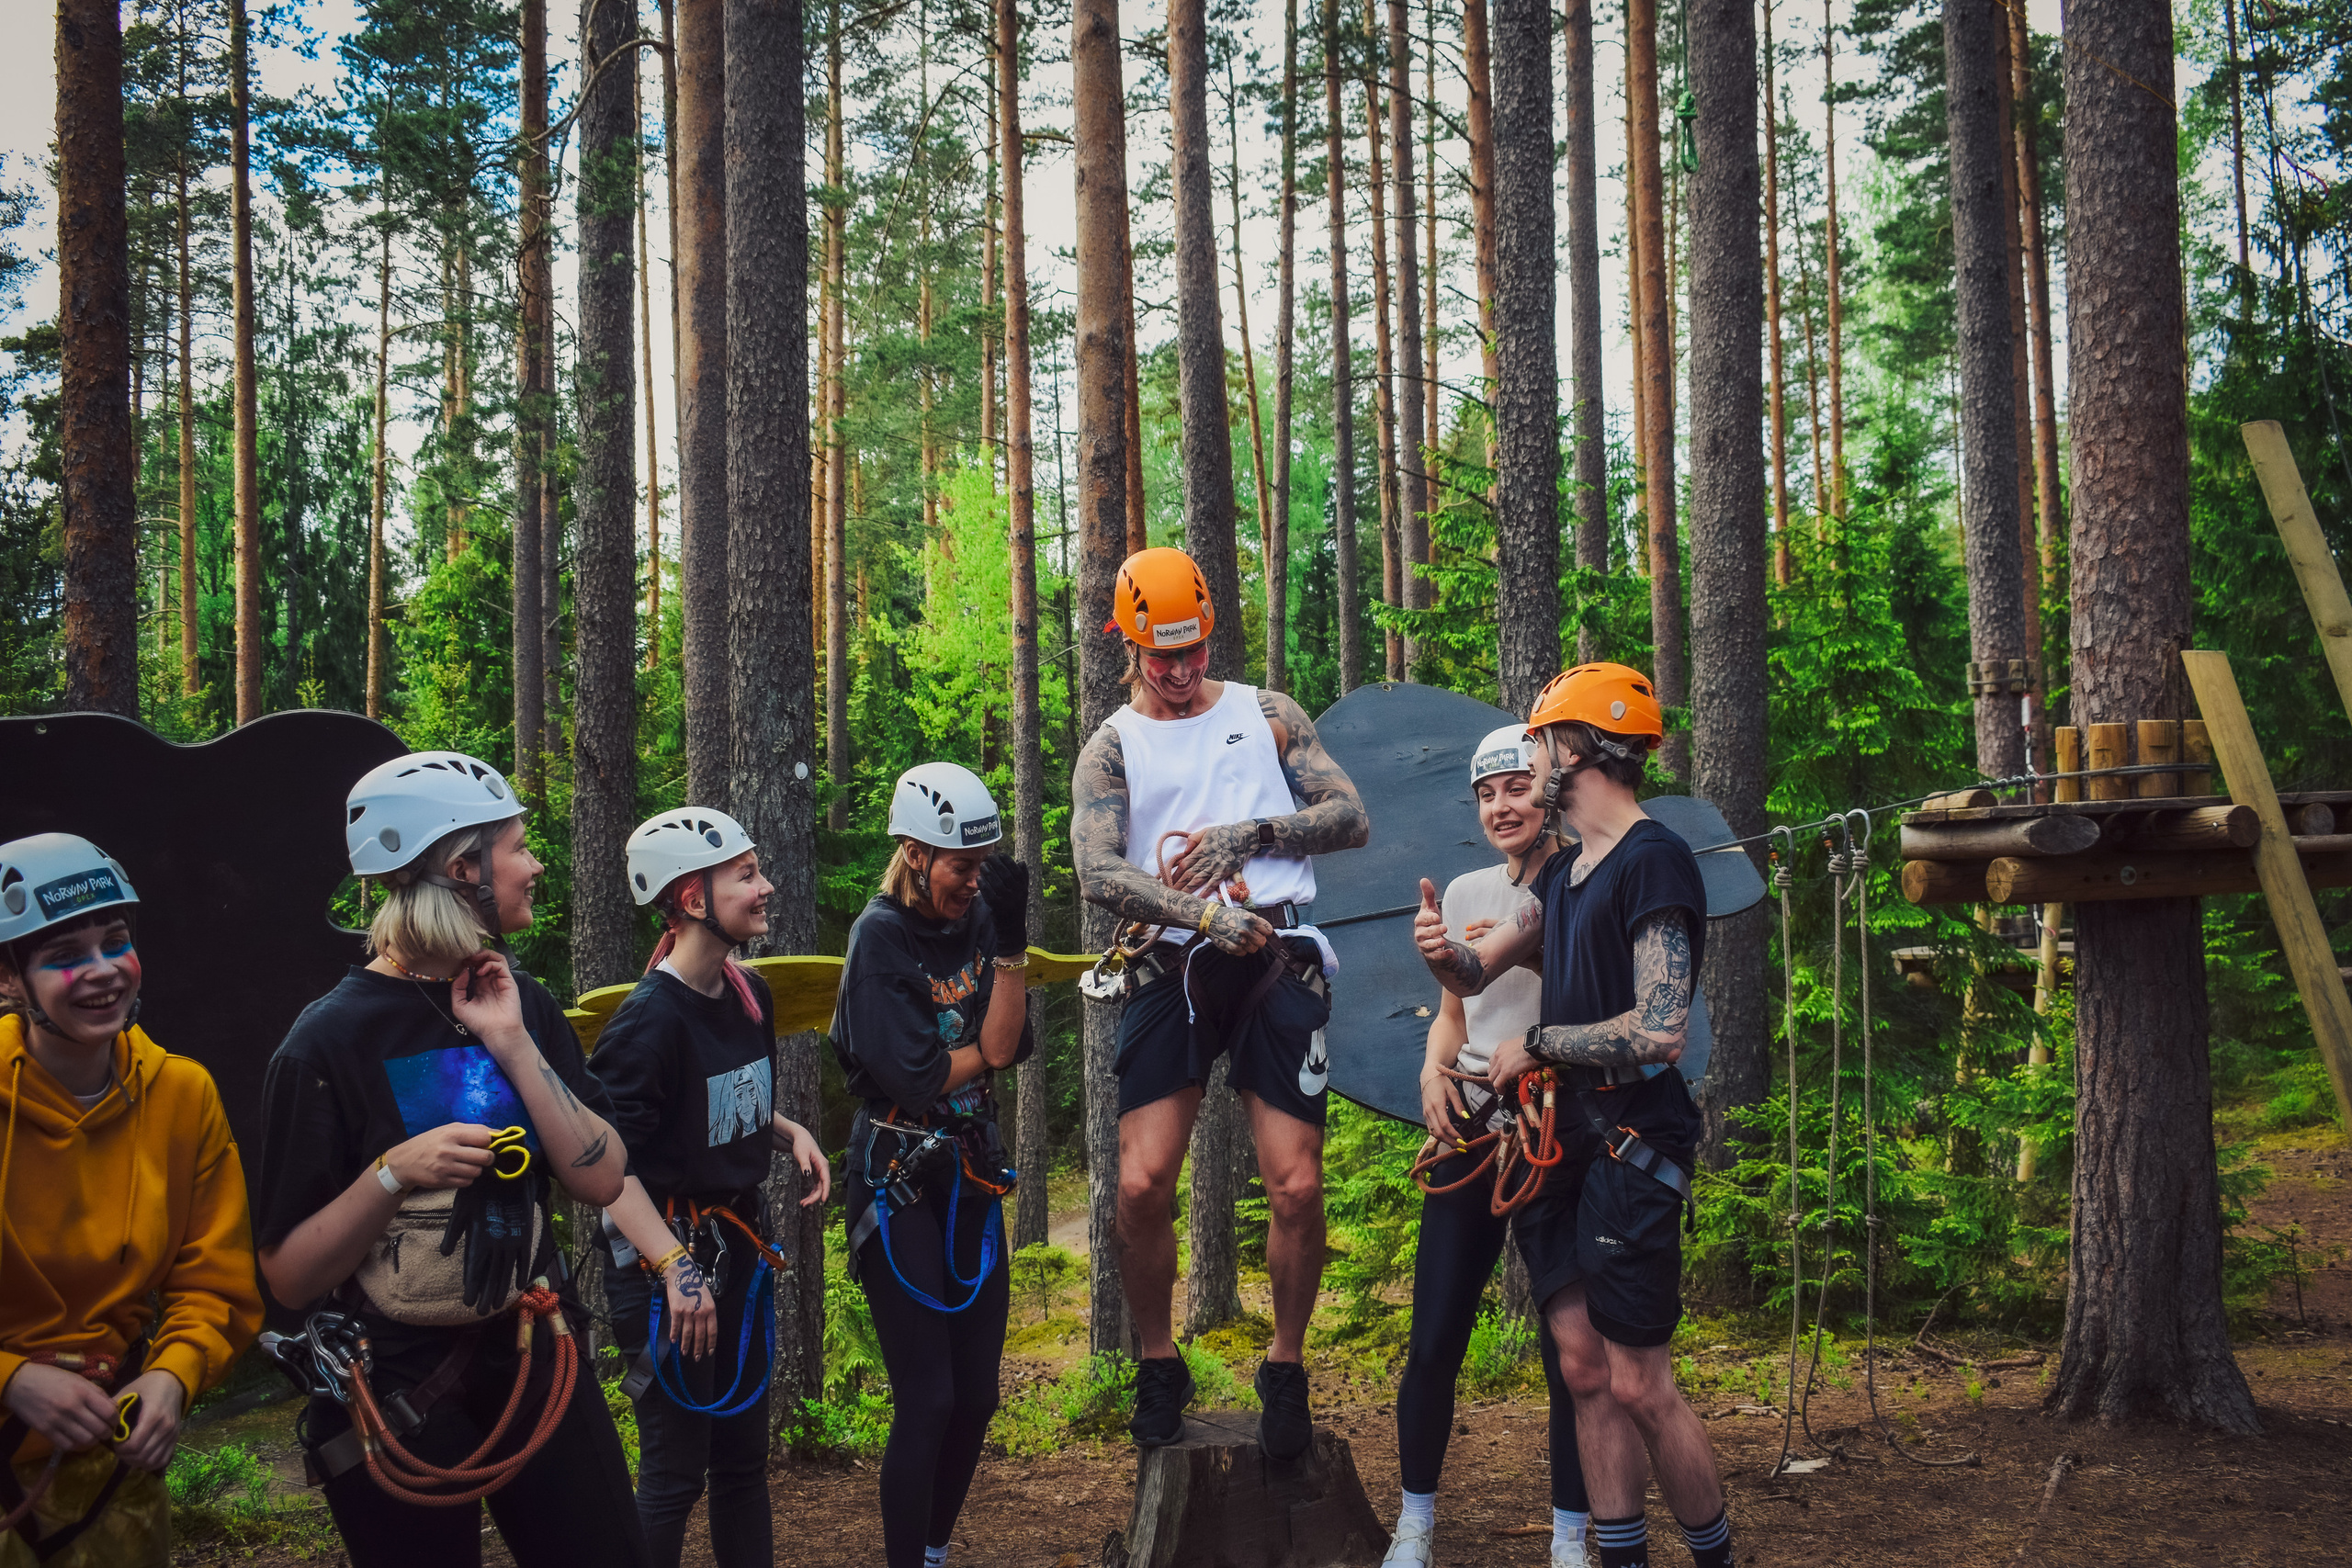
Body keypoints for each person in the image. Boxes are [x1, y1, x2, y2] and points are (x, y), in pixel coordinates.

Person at [254, 751, 647, 1568]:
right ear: (464, 867)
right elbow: (288, 1275)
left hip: (534, 1346)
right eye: (518, 847)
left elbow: (601, 1177)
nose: (535, 865)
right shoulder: (326, 1043)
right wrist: (393, 1173)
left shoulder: (523, 1000)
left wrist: (510, 1040)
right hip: (396, 1380)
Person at [1412, 665, 1736, 1568]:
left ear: (1580, 748)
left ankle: (1715, 1558)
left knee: (1638, 1381)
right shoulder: (1565, 878)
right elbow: (1479, 977)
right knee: (1585, 1371)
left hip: (1630, 1140)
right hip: (1558, 1146)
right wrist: (1443, 952)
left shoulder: (1650, 858)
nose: (1535, 758)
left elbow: (1659, 1030)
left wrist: (1541, 1045)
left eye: (1543, 744)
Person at [1069, 547, 1371, 1456]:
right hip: (1175, 965)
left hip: (1279, 956)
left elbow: (1350, 816)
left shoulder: (1267, 714)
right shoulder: (1115, 744)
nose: (1178, 668)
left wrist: (1256, 833)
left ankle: (1283, 1365)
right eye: (1161, 654)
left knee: (1297, 1184)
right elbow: (1095, 868)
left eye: (1192, 648)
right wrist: (1196, 910)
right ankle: (1159, 1362)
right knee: (1138, 1182)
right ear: (1128, 643)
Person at [0, 835, 262, 1567]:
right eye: (63, 954)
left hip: (107, 1465)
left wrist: (172, 1372)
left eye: (115, 941)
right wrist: (13, 1378)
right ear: (8, 977)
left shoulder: (181, 1094)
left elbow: (215, 1281)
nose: (102, 971)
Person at [590, 807, 831, 1568]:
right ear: (694, 899)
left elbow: (716, 1097)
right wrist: (673, 1267)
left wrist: (788, 1130)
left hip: (734, 1256)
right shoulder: (644, 1026)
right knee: (672, 1472)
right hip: (669, 1268)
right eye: (747, 875)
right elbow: (603, 1170)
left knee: (739, 1465)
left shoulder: (744, 994)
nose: (767, 886)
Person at [1385, 729, 1591, 1568]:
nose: (1501, 806)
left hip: (1552, 1122)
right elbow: (1453, 1016)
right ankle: (1414, 1523)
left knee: (1567, 1346)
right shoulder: (1470, 884)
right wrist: (1434, 1073)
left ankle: (1573, 1534)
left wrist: (1457, 957)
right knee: (1434, 1333)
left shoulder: (1582, 881)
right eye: (1487, 793)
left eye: (1515, 787)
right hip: (1473, 1123)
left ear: (1547, 791)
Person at [830, 762, 1033, 1568]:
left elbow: (1003, 1050)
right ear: (916, 853)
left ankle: (935, 1551)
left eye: (982, 866)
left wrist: (1011, 948)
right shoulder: (879, 936)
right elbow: (915, 1074)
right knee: (929, 1397)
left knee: (977, 1398)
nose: (973, 881)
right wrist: (977, 1049)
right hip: (897, 1179)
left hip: (970, 1173)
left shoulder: (982, 917)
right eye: (961, 865)